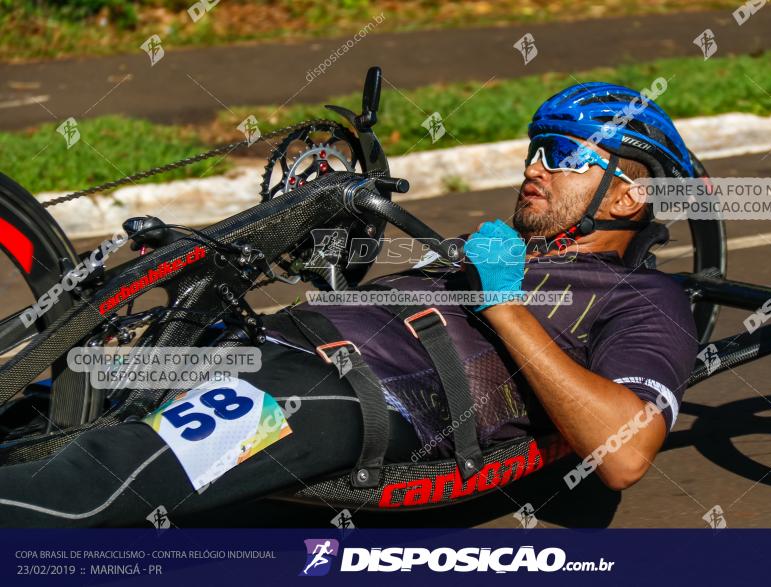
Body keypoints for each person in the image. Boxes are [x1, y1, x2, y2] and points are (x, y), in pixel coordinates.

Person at [0, 82, 698, 527]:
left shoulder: (644, 299)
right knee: (46, 407)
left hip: (334, 390)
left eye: (565, 156)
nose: (533, 168)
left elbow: (626, 452)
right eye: (536, 149)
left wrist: (505, 303)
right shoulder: (493, 247)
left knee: (94, 479)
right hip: (263, 343)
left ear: (629, 195)